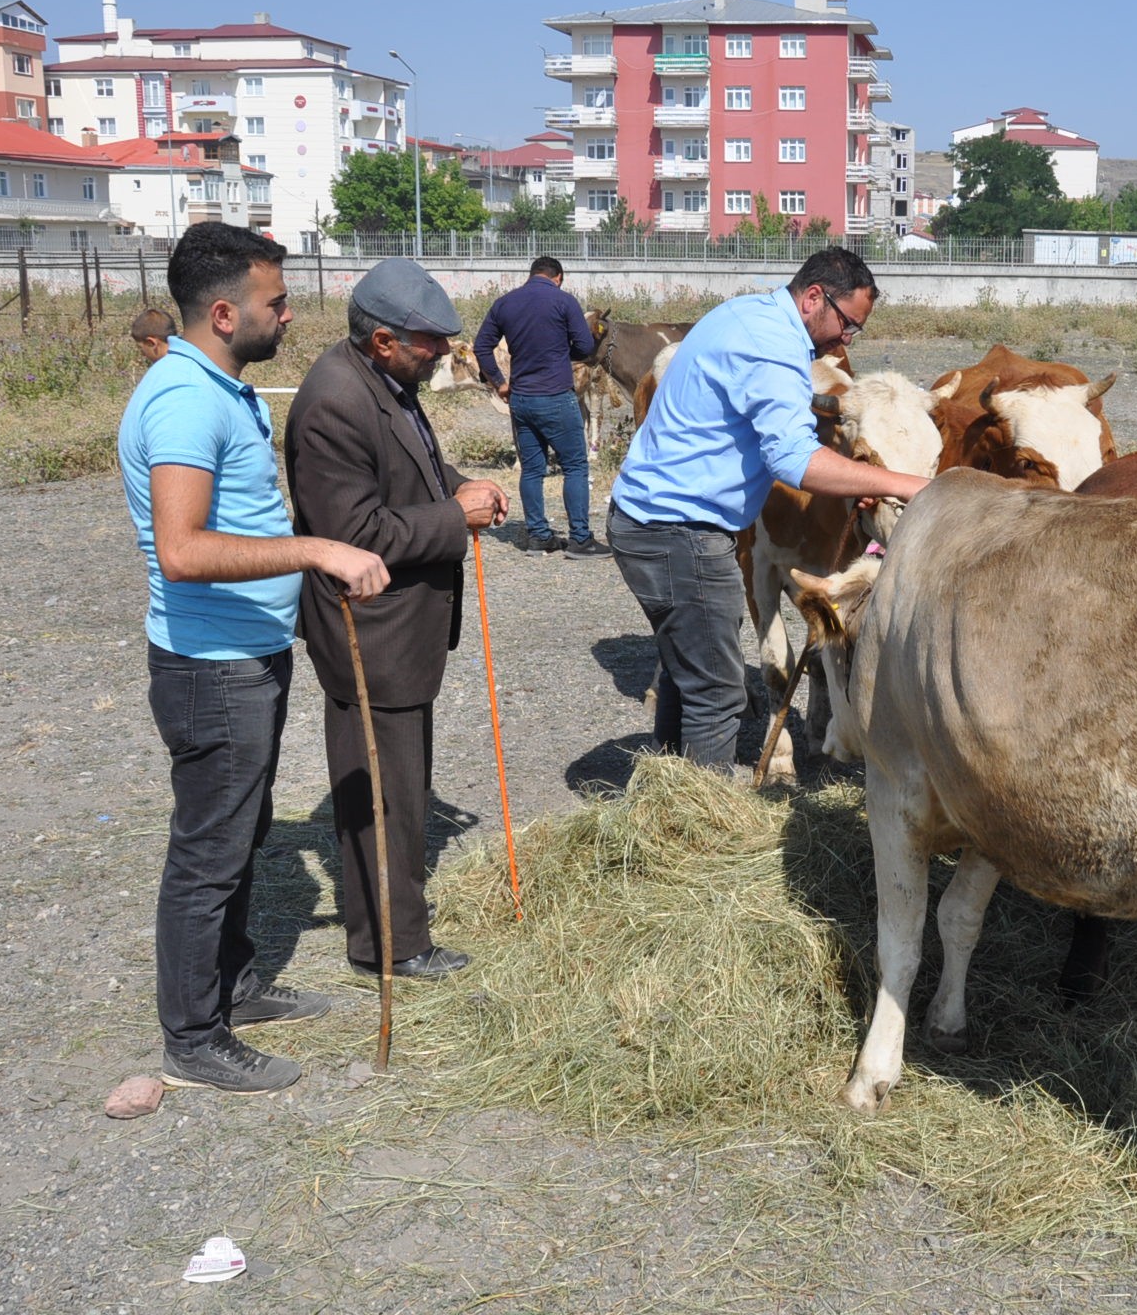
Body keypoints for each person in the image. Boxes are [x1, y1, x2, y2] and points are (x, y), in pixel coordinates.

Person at [118, 223, 389, 1095]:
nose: (289, 314)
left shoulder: (216, 388)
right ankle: (194, 1039)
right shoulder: (184, 401)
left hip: (243, 655)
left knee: (240, 835)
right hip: (213, 665)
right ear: (227, 313)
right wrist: (316, 550)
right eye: (277, 301)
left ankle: (232, 985)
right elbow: (183, 549)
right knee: (208, 853)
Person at [609, 247, 931, 772]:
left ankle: (665, 792)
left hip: (651, 519)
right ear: (813, 298)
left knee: (685, 671)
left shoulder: (748, 313)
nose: (847, 340)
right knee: (717, 691)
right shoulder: (773, 345)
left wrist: (854, 478)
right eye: (848, 324)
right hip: (679, 531)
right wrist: (903, 483)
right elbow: (794, 459)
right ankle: (700, 813)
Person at [285, 260, 508, 982]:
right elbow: (355, 534)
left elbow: (413, 468)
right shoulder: (334, 402)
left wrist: (461, 486)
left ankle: (396, 928)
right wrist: (454, 516)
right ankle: (393, 945)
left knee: (403, 791)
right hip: (368, 635)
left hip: (399, 636)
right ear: (383, 340)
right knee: (385, 798)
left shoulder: (383, 380)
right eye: (429, 342)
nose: (443, 352)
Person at [471, 257, 607, 557]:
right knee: (575, 466)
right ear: (558, 277)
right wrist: (559, 351)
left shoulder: (505, 303)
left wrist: (499, 382)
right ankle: (580, 540)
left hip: (520, 399)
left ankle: (538, 536)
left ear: (532, 275)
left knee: (532, 470)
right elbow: (586, 347)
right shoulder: (564, 301)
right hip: (556, 395)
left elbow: (481, 346)